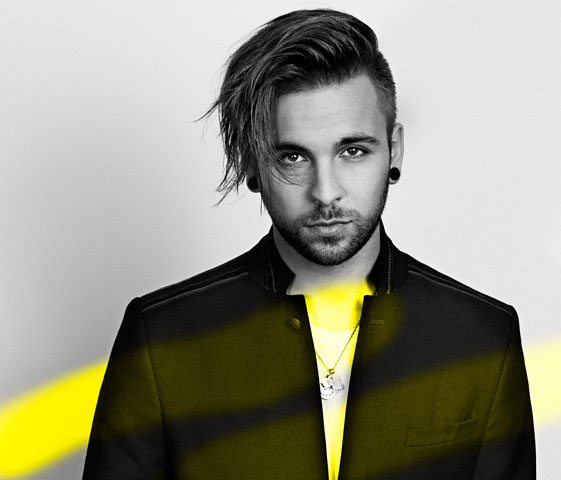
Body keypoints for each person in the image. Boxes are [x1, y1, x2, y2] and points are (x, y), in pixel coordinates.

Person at [83, 9, 535, 479]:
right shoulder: (162, 339)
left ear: (394, 150)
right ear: (251, 163)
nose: (326, 192)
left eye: (353, 151)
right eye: (293, 157)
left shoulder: (482, 337)